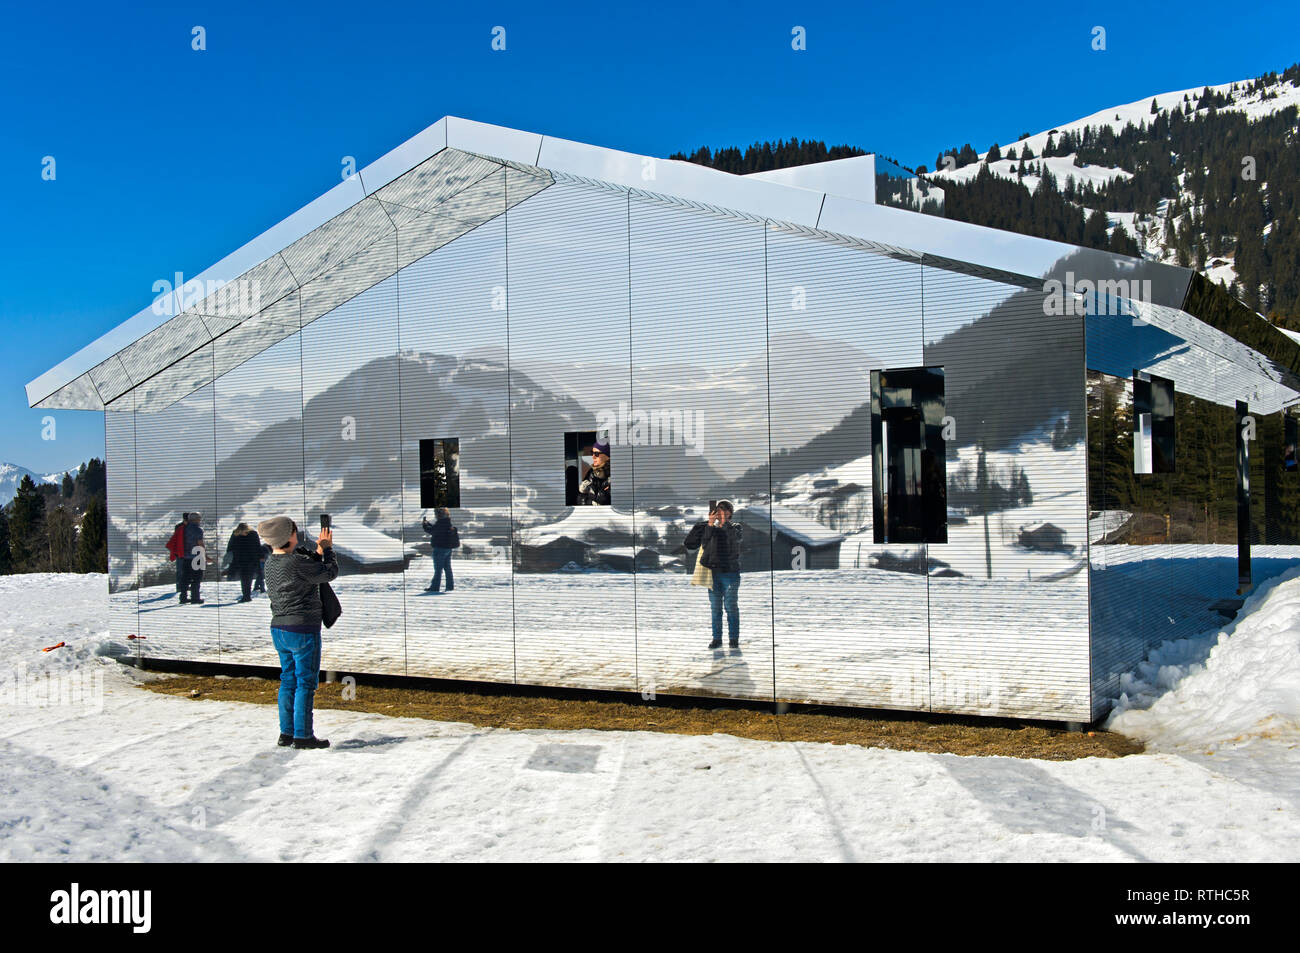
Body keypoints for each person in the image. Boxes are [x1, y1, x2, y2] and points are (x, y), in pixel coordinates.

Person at [258, 515, 338, 750]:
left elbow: (304, 569)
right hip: (303, 628)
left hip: (279, 629)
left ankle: (287, 733)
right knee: (305, 683)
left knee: (288, 680)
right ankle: (303, 736)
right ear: (290, 536)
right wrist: (328, 550)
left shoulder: (271, 562)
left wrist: (317, 552)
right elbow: (329, 572)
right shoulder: (296, 563)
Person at [684, 500, 743, 650]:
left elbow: (732, 540)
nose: (721, 513)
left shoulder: (736, 528)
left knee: (730, 607)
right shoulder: (709, 528)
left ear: (730, 513)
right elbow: (704, 544)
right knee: (715, 609)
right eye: (718, 510)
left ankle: (733, 639)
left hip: (730, 574)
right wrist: (710, 524)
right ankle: (717, 638)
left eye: (724, 510)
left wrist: (724, 523)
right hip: (713, 574)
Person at [422, 507, 459, 593]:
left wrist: (425, 524)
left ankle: (435, 587)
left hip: (439, 549)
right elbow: (436, 529)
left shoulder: (440, 524)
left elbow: (431, 530)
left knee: (438, 569)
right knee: (447, 568)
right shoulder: (447, 522)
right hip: (448, 549)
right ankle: (450, 587)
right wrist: (429, 524)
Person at [226, 523, 263, 602]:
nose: (244, 534)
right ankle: (246, 596)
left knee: (245, 578)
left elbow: (230, 547)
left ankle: (246, 596)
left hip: (243, 559)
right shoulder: (253, 534)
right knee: (246, 578)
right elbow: (258, 546)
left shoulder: (236, 534)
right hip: (248, 559)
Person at [181, 512, 206, 605]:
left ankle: (183, 597)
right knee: (196, 578)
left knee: (185, 578)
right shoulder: (198, 529)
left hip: (185, 556)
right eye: (199, 518)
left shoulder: (183, 528)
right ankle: (195, 597)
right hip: (196, 557)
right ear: (196, 519)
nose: (200, 520)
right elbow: (200, 543)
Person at [578, 439, 611, 505]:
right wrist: (587, 500)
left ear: (607, 456)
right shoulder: (592, 472)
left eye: (596, 454)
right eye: (592, 453)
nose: (593, 456)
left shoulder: (615, 472)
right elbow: (580, 498)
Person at [165, 513, 189, 597]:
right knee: (183, 570)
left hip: (180, 551)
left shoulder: (179, 526)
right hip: (184, 551)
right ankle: (181, 586)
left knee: (181, 570)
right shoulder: (184, 527)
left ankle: (181, 586)